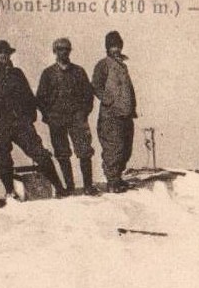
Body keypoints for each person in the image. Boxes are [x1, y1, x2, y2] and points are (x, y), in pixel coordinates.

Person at [0, 39, 66, 199]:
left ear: (9, 55)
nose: (3, 56)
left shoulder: (17, 74)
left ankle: (59, 187)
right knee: (4, 159)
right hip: (1, 125)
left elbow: (29, 96)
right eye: (0, 53)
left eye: (6, 53)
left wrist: (29, 116)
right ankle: (10, 192)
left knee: (40, 153)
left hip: (21, 123)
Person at [37, 38, 98, 196]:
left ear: (70, 51)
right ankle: (69, 187)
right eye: (60, 49)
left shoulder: (78, 71)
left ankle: (88, 186)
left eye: (66, 49)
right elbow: (40, 98)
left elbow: (88, 95)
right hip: (57, 120)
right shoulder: (48, 74)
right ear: (54, 51)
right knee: (62, 154)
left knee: (84, 151)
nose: (63, 52)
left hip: (77, 119)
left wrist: (83, 113)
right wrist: (49, 117)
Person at [91, 31, 137, 194]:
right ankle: (112, 182)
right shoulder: (104, 64)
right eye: (112, 46)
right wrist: (108, 100)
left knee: (126, 148)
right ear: (107, 48)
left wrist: (132, 107)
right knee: (113, 148)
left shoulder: (122, 65)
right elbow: (95, 85)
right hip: (111, 116)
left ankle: (117, 178)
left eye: (118, 46)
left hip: (125, 114)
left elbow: (127, 89)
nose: (116, 49)